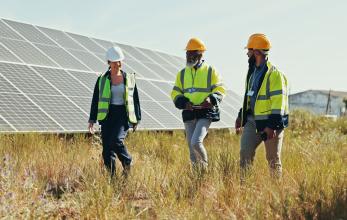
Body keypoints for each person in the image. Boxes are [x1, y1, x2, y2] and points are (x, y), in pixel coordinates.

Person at [235, 33, 289, 179]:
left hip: (270, 123)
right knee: (245, 153)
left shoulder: (274, 75)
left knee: (273, 160)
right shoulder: (252, 73)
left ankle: (276, 195)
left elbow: (279, 104)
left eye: (249, 50)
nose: (247, 53)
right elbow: (249, 97)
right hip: (252, 122)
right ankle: (243, 189)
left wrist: (272, 126)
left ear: (257, 52)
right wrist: (241, 116)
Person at [171, 38, 226, 170]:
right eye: (187, 54)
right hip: (189, 112)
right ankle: (197, 175)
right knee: (191, 146)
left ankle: (205, 169)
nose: (188, 56)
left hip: (205, 112)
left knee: (196, 142)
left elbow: (220, 90)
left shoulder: (211, 71)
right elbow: (175, 93)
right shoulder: (182, 74)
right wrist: (183, 102)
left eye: (192, 54)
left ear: (200, 54)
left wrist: (211, 99)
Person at [88, 46, 141, 177]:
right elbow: (96, 99)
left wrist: (137, 119)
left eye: (118, 61)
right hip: (107, 116)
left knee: (116, 141)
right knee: (107, 151)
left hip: (122, 115)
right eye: (114, 61)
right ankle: (112, 179)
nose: (117, 64)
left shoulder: (129, 78)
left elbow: (135, 99)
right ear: (109, 63)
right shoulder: (102, 79)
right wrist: (92, 119)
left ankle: (127, 161)